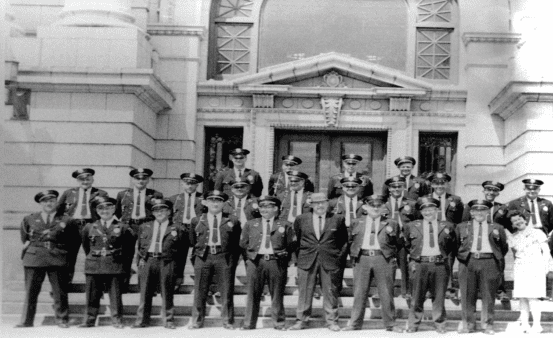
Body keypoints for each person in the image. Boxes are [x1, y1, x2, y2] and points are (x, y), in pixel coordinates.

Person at [16, 190, 80, 328]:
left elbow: (74, 241)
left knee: (59, 292)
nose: (49, 204)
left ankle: (62, 319)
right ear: (40, 203)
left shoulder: (66, 220)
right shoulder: (29, 219)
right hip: (34, 257)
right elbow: (25, 238)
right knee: (30, 291)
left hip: (57, 257)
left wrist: (66, 257)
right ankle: (26, 321)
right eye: (45, 201)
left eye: (52, 201)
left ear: (56, 202)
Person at [341, 194, 403, 332]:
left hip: (383, 258)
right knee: (359, 292)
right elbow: (350, 241)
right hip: (362, 258)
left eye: (379, 205)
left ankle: (391, 324)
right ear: (365, 207)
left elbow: (398, 244)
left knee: (386, 292)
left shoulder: (391, 223)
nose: (375, 208)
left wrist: (391, 258)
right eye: (372, 205)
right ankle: (355, 323)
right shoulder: (356, 222)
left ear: (384, 207)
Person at [288, 193, 348, 332]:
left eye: (323, 203)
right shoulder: (301, 219)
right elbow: (296, 241)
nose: (320, 206)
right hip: (307, 259)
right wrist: (300, 256)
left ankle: (332, 321)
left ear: (327, 204)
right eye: (317, 203)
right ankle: (301, 320)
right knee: (305, 291)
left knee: (330, 291)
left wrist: (338, 257)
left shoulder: (337, 219)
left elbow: (343, 241)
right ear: (311, 204)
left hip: (329, 259)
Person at [239, 196, 297, 330]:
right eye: (262, 207)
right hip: (256, 262)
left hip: (276, 262)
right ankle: (249, 323)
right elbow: (243, 244)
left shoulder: (285, 224)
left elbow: (292, 244)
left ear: (276, 209)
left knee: (277, 294)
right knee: (253, 293)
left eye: (268, 207)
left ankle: (279, 323)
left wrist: (284, 259)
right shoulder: (250, 224)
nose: (264, 209)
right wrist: (249, 260)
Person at [79, 196, 135, 328]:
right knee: (92, 294)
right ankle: (89, 320)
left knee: (115, 295)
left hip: (114, 264)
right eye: (101, 208)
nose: (105, 211)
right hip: (94, 264)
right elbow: (86, 246)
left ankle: (117, 320)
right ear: (97, 211)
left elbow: (129, 250)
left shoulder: (123, 227)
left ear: (114, 209)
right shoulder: (89, 227)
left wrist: (124, 267)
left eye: (108, 208)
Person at [189, 190, 242, 330]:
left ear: (224, 203)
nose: (215, 203)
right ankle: (197, 321)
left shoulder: (232, 220)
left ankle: (228, 321)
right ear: (205, 202)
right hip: (203, 256)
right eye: (211, 200)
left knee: (226, 290)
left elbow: (236, 243)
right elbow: (193, 240)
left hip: (223, 256)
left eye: (218, 200)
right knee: (200, 290)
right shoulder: (197, 220)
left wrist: (233, 260)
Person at [403, 196, 456, 333]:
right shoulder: (412, 226)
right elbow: (407, 245)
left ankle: (440, 324)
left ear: (437, 210)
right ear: (420, 212)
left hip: (439, 264)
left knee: (439, 296)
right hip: (420, 264)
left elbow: (451, 246)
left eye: (431, 209)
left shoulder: (447, 226)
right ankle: (413, 324)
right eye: (424, 210)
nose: (428, 212)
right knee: (417, 296)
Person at [132, 199, 186, 329]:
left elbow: (182, 253)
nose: (160, 212)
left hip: (167, 262)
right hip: (148, 260)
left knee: (167, 292)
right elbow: (139, 247)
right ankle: (141, 320)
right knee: (145, 292)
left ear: (169, 211)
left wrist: (179, 273)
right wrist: (138, 262)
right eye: (156, 210)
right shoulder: (145, 226)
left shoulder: (177, 228)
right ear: (152, 212)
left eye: (163, 210)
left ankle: (168, 320)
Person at [456, 200, 508, 335]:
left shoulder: (497, 228)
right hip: (468, 261)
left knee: (488, 295)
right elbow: (456, 245)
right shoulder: (462, 227)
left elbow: (503, 247)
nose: (479, 213)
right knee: (467, 294)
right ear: (471, 213)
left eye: (483, 210)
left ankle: (487, 325)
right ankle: (468, 324)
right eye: (476, 211)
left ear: (487, 212)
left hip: (489, 262)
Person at [56, 168, 108, 283]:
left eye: (87, 179)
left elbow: (106, 211)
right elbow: (58, 211)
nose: (85, 182)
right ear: (77, 181)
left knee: (94, 254)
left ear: (92, 179)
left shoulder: (101, 194)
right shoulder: (68, 193)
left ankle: (97, 284)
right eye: (81, 179)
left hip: (91, 226)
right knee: (69, 255)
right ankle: (65, 283)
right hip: (72, 226)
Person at [115, 168, 163, 290]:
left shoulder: (155, 194)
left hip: (146, 225)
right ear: (132, 180)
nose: (140, 181)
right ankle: (123, 284)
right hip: (129, 226)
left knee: (145, 255)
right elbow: (118, 212)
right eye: (138, 178)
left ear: (148, 180)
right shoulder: (123, 194)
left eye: (144, 178)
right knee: (126, 254)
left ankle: (145, 285)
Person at [462, 181, 510, 302]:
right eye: (488, 190)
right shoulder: (472, 206)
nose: (491, 193)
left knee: (499, 264)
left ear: (498, 193)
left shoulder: (502, 208)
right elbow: (464, 223)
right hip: (476, 239)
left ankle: (500, 290)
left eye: (494, 190)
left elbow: (507, 225)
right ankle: (476, 289)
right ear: (484, 191)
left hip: (495, 240)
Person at [505, 211, 549, 334]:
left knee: (533, 297)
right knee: (522, 298)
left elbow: (545, 251)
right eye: (514, 221)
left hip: (535, 267)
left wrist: (546, 267)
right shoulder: (514, 236)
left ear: (525, 219)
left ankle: (537, 325)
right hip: (520, 268)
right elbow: (514, 251)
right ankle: (525, 325)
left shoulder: (537, 232)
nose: (517, 222)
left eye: (519, 219)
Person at [428, 172, 464, 299]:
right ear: (432, 184)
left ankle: (448, 287)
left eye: (442, 183)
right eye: (436, 183)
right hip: (430, 233)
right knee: (429, 260)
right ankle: (430, 287)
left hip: (449, 234)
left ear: (447, 184)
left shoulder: (455, 200)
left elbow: (461, 220)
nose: (439, 186)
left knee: (448, 260)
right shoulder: (424, 199)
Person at [383, 176, 418, 301]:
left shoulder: (411, 204)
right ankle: (385, 291)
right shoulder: (382, 204)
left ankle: (406, 291)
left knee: (404, 265)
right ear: (389, 189)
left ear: (403, 187)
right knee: (384, 266)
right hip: (386, 239)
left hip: (403, 239)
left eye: (399, 186)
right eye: (393, 187)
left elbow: (417, 222)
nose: (396, 189)